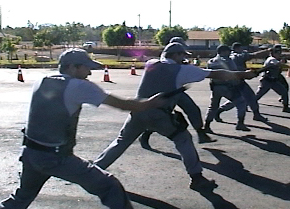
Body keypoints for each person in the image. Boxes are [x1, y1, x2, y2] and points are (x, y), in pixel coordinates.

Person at [0, 48, 164, 209]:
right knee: (109, 186)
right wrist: (151, 103)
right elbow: (124, 105)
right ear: (72, 67)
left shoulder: (43, 80)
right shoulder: (78, 86)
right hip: (56, 157)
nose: (89, 73)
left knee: (20, 199)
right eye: (86, 68)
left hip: (30, 153)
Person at [94, 42, 257, 191]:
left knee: (121, 142)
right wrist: (243, 74)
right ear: (176, 55)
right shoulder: (182, 70)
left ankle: (95, 170)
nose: (184, 58)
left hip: (137, 111)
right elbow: (217, 74)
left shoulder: (151, 64)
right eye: (182, 55)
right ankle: (197, 178)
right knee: (183, 139)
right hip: (159, 114)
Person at [139, 37, 215, 149]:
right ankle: (145, 135)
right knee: (161, 115)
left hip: (177, 90)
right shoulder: (166, 57)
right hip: (167, 91)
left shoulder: (174, 56)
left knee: (192, 108)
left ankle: (201, 133)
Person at [215, 42, 270, 122]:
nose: (242, 50)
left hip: (236, 80)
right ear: (237, 48)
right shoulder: (238, 56)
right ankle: (220, 112)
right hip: (237, 81)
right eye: (240, 48)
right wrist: (268, 50)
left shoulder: (230, 56)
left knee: (249, 97)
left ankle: (256, 114)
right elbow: (254, 55)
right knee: (238, 100)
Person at [204, 45, 251, 133]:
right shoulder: (227, 60)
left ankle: (207, 125)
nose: (229, 53)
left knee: (213, 106)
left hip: (215, 87)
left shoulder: (211, 61)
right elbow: (233, 73)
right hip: (227, 87)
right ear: (223, 51)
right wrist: (244, 74)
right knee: (241, 102)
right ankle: (240, 123)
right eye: (228, 51)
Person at [255, 45, 290, 113]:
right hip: (266, 80)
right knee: (258, 96)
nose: (279, 54)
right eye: (277, 53)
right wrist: (284, 63)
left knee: (284, 92)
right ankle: (246, 104)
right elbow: (277, 64)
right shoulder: (271, 59)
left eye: (279, 53)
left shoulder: (274, 59)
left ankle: (286, 107)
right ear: (273, 53)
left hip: (273, 81)